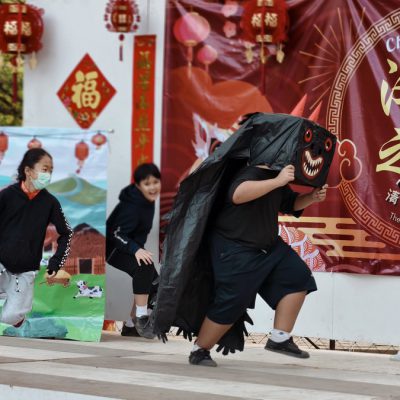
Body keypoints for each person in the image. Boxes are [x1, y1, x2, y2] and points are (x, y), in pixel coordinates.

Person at [187, 163, 327, 366]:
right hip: (235, 248)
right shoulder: (245, 168)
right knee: (231, 303)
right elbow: (237, 194)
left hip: (269, 247)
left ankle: (279, 338)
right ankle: (199, 350)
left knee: (298, 277)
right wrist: (277, 181)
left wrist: (311, 197)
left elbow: (290, 203)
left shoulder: (274, 173)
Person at [0, 148, 72, 328]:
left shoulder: (50, 202)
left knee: (10, 318)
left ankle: (17, 309)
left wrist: (56, 262)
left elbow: (66, 233)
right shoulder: (6, 196)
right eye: (45, 169)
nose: (48, 175)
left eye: (51, 171)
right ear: (28, 170)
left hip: (25, 270)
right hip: (1, 263)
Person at [106, 163, 161, 339]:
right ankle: (141, 318)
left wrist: (137, 248)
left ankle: (131, 326)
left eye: (155, 182)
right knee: (144, 268)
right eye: (147, 183)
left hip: (130, 247)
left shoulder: (148, 201)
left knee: (155, 283)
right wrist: (136, 249)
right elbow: (116, 233)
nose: (152, 187)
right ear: (138, 185)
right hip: (115, 248)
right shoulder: (132, 205)